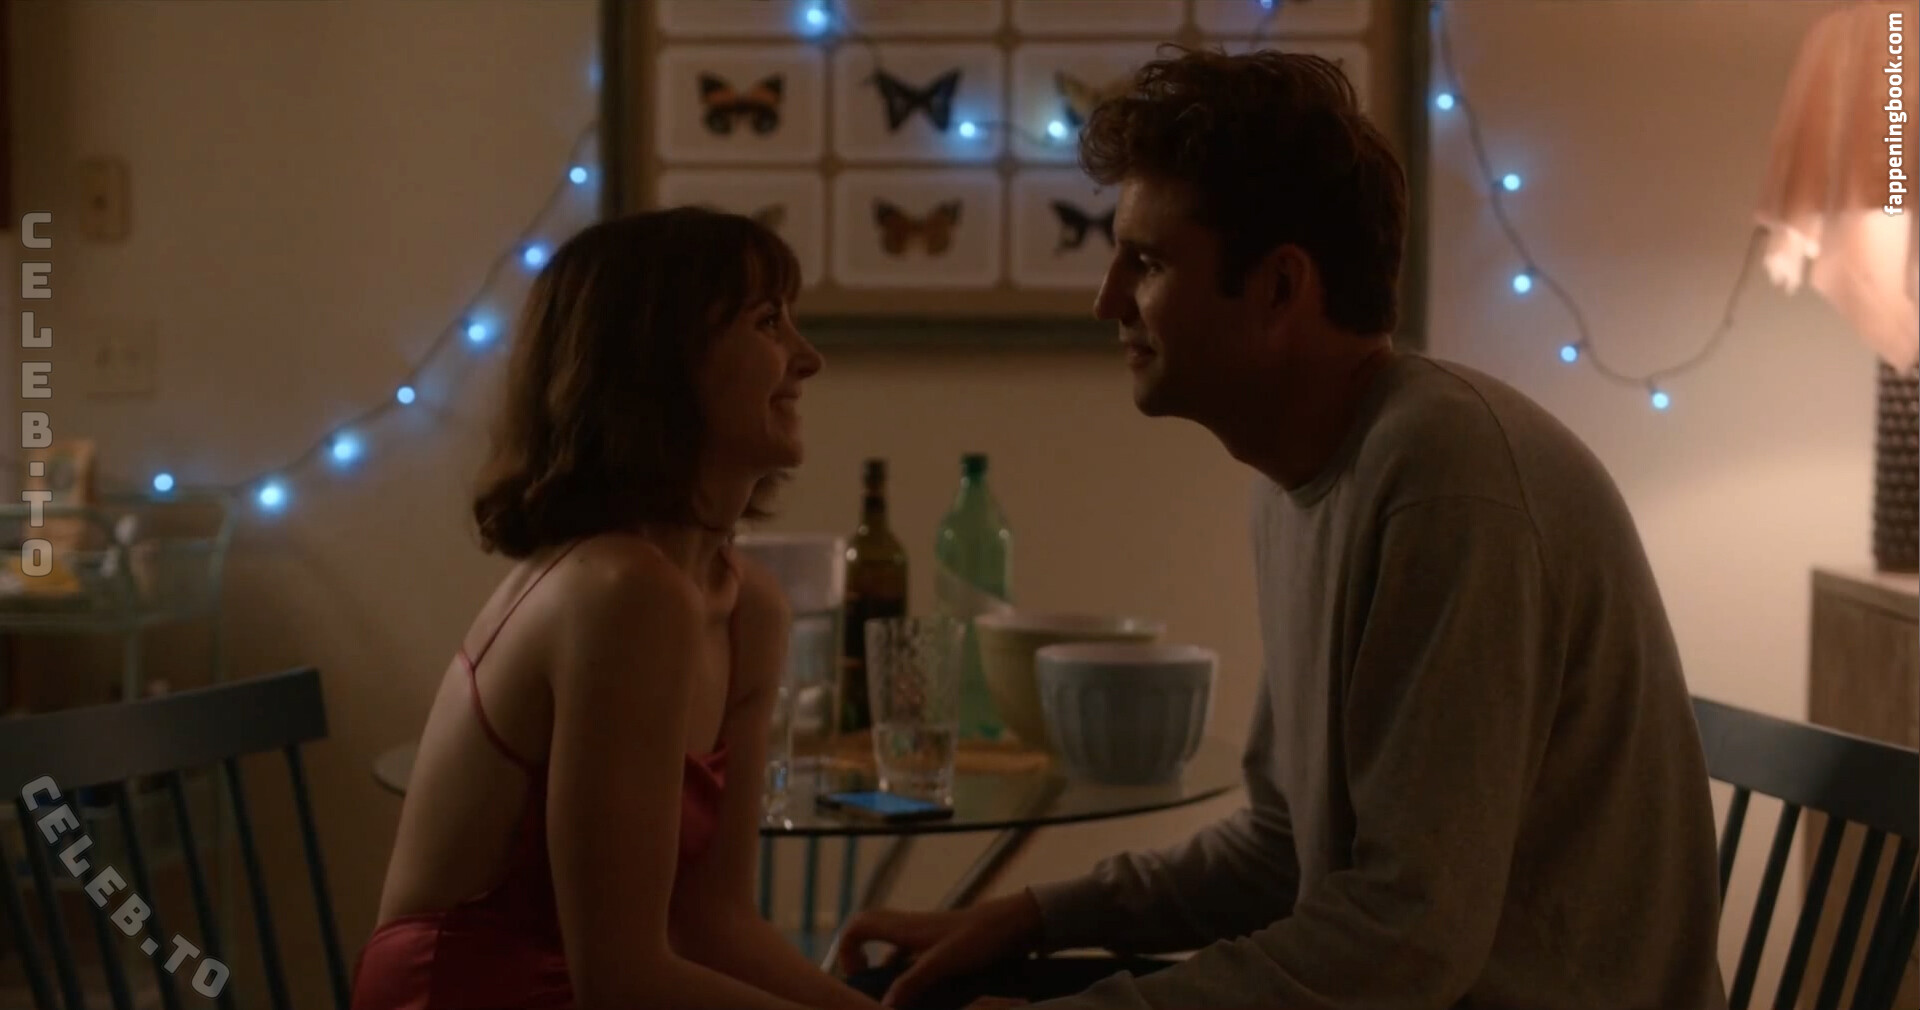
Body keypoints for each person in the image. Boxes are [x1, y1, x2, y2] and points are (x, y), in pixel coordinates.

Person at [836, 46, 1730, 1010]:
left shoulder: (1446, 481)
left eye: (1147, 263)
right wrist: (1026, 919)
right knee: (919, 989)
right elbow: (1282, 851)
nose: (1107, 301)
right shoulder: (1299, 473)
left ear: (1278, 289)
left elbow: (1405, 939)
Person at [352, 207, 886, 1010]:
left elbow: (713, 923)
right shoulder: (621, 590)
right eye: (767, 322)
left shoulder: (750, 607)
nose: (807, 359)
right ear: (657, 360)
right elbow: (623, 981)